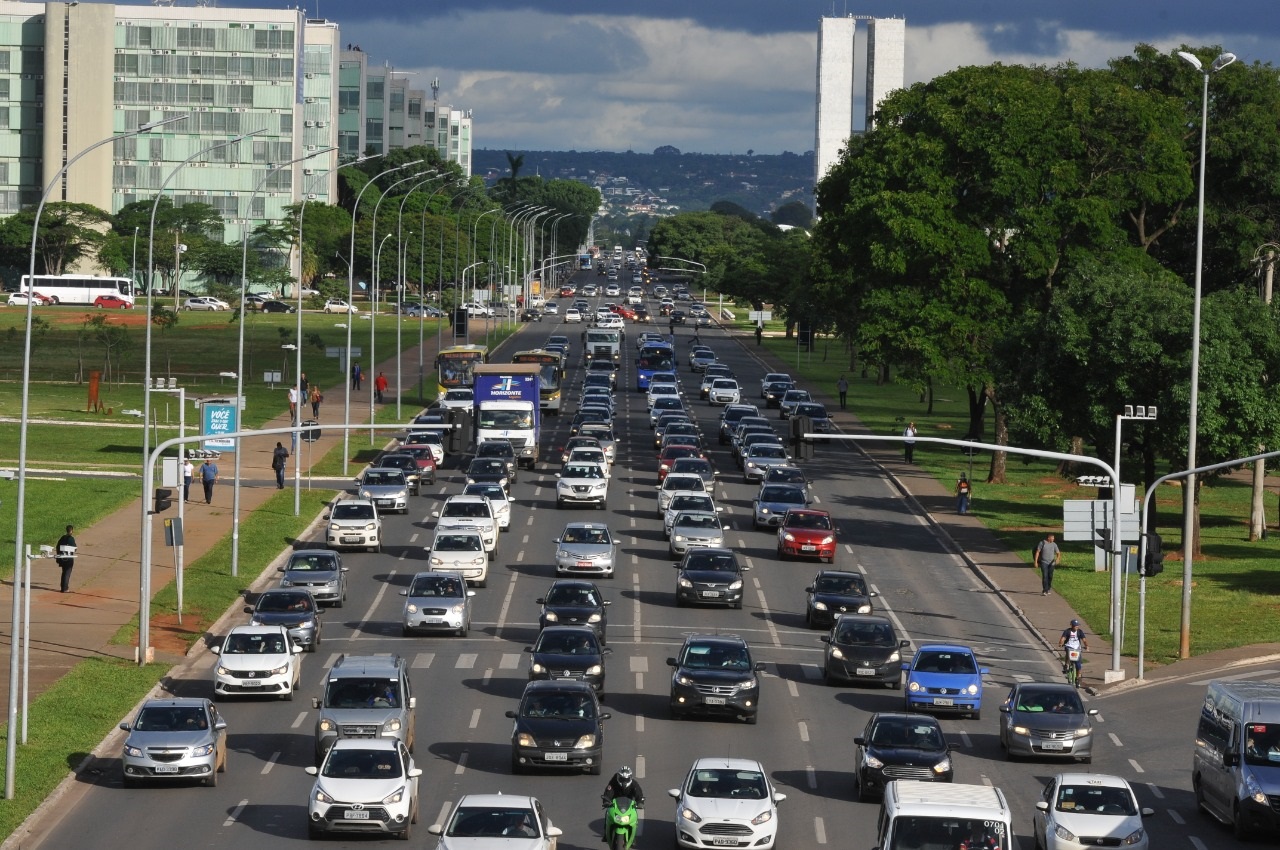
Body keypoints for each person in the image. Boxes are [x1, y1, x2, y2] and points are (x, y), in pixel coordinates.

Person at [55, 524, 76, 593]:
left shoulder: (62, 537)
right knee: (67, 572)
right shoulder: (71, 539)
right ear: (72, 530)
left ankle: (63, 587)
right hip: (68, 558)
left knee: (64, 572)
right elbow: (74, 548)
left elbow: (57, 546)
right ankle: (65, 588)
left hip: (62, 557)